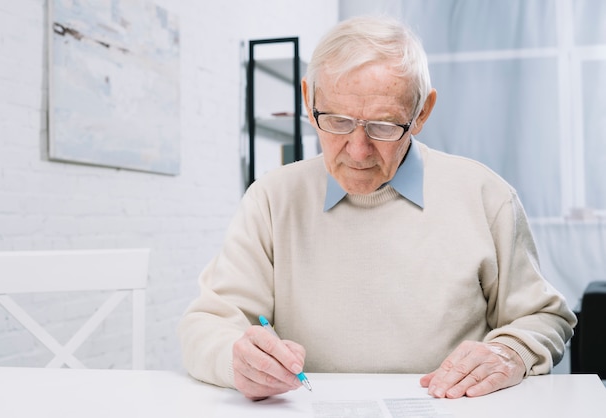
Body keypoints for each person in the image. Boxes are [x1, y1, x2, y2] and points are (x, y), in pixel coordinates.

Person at [178, 15, 576, 401]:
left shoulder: (486, 195)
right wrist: (237, 359)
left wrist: (510, 352)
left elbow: (545, 317)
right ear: (307, 100)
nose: (357, 149)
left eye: (384, 126)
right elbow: (208, 325)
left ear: (422, 112)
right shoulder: (271, 198)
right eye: (335, 121)